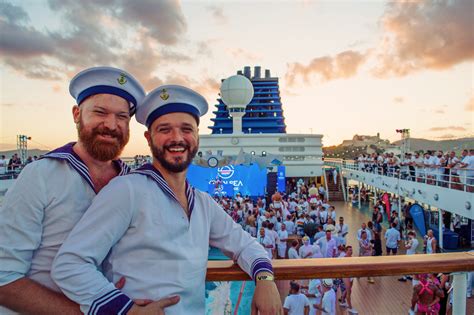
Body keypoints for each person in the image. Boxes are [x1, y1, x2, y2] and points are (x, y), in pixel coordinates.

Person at [52, 85, 282, 314]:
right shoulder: (127, 190)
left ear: (196, 137)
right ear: (148, 137)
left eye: (186, 129)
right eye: (164, 129)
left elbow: (245, 245)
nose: (177, 138)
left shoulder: (202, 203)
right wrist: (125, 309)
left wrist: (264, 278)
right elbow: (70, 264)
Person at [0, 66, 145, 314]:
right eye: (100, 112)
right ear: (77, 114)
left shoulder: (134, 183)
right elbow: (4, 277)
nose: (111, 125)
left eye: (122, 117)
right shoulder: (40, 176)